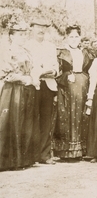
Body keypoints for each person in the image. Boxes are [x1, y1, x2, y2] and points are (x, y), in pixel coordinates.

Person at [0, 22, 39, 171]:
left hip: (27, 90)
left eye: (24, 34)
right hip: (13, 90)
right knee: (14, 122)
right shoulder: (7, 52)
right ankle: (10, 161)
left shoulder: (26, 51)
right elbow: (6, 74)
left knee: (26, 122)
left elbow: (32, 68)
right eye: (19, 35)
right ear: (11, 36)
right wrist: (24, 79)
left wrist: (33, 79)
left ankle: (23, 159)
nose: (22, 37)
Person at [54, 24, 94, 161]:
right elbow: (56, 72)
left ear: (80, 37)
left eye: (76, 36)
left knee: (82, 114)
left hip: (83, 85)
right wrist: (66, 76)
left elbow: (90, 70)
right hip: (67, 87)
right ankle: (67, 151)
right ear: (66, 37)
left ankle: (81, 150)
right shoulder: (61, 52)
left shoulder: (85, 52)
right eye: (71, 37)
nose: (74, 39)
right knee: (68, 115)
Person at [24, 19, 58, 165]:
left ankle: (45, 155)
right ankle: (32, 156)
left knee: (46, 120)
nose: (41, 29)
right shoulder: (26, 46)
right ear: (31, 28)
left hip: (48, 85)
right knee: (31, 120)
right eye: (38, 26)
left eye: (43, 27)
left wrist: (54, 71)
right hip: (32, 85)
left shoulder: (50, 46)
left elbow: (56, 64)